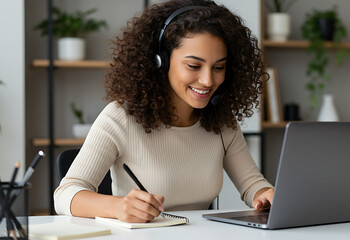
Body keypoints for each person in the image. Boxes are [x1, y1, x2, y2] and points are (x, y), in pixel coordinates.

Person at [54, 0, 274, 223]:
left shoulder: (221, 121)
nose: (208, 80)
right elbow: (65, 195)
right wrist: (118, 207)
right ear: (161, 62)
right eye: (194, 66)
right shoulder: (120, 117)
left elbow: (253, 185)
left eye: (218, 67)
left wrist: (266, 195)